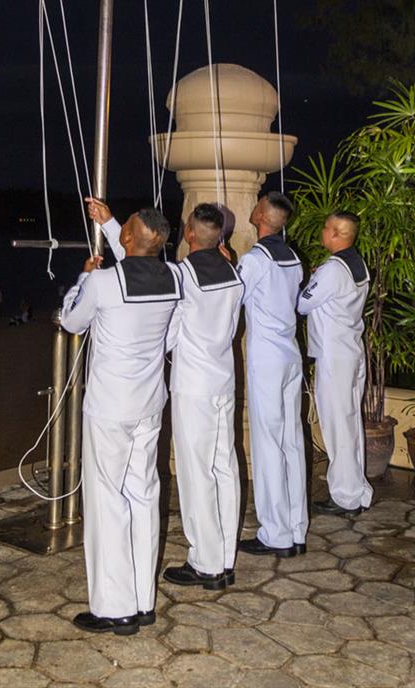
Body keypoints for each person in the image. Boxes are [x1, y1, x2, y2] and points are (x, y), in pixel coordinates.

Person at [87, 197, 244, 591]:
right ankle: (224, 557)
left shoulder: (181, 276)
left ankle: (207, 563)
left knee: (197, 475)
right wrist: (111, 224)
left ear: (190, 234)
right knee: (226, 467)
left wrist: (111, 227)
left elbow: (141, 260)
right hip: (225, 379)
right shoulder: (233, 273)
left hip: (194, 386)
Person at [60, 207, 182, 636]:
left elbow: (71, 320)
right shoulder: (175, 278)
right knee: (144, 496)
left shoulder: (102, 281)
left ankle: (115, 608)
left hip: (111, 407)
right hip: (150, 403)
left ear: (128, 239)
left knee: (107, 502)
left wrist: (82, 276)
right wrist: (111, 222)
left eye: (124, 229)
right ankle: (142, 601)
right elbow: (171, 335)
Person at [236, 191, 307, 558]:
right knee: (291, 440)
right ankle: (296, 527)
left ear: (261, 215)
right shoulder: (293, 257)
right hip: (290, 352)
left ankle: (275, 533)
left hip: (266, 357)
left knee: (268, 444)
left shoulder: (255, 260)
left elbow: (234, 299)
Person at [297, 211, 373, 516]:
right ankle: (357, 490)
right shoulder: (357, 264)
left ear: (338, 234)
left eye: (327, 227)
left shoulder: (331, 270)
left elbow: (303, 303)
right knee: (351, 423)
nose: (323, 231)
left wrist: (311, 280)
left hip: (334, 356)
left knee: (338, 426)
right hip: (352, 350)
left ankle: (345, 497)